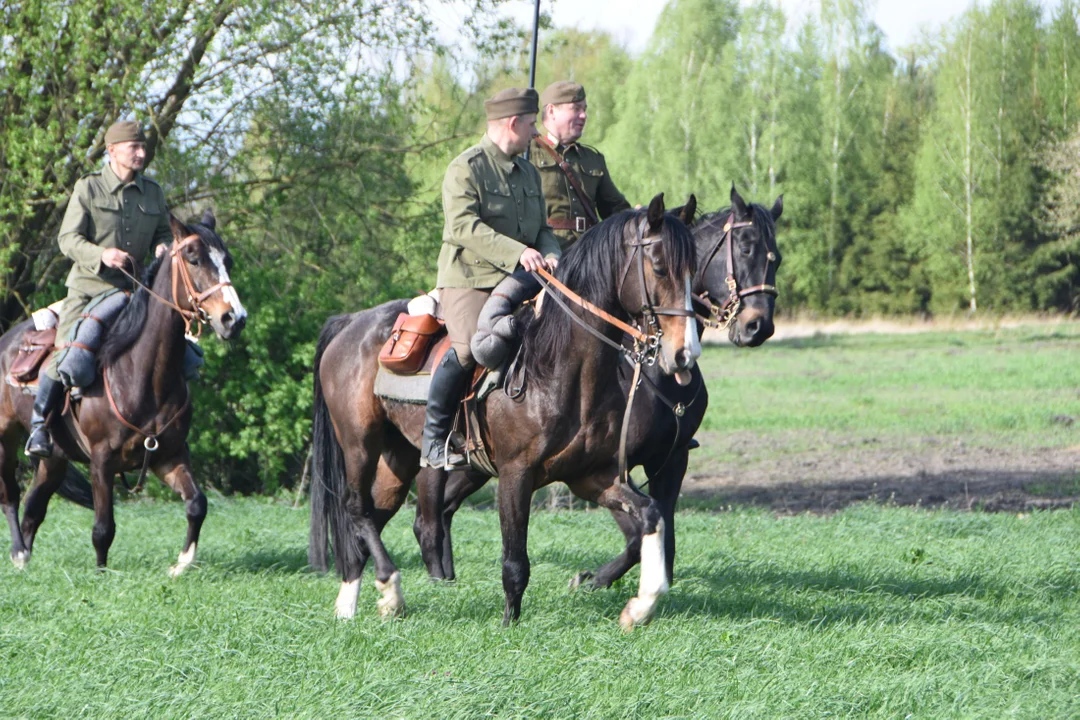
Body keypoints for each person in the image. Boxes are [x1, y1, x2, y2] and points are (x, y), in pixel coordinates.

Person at [422, 87, 561, 470]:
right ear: (512, 123)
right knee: (470, 350)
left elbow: (543, 229)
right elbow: (463, 227)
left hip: (522, 276)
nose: (536, 133)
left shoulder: (529, 173)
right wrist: (518, 252)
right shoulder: (465, 168)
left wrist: (552, 252)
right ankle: (434, 440)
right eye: (532, 125)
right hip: (470, 276)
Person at [25, 120, 171, 458]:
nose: (141, 152)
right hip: (90, 290)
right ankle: (38, 426)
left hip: (136, 293)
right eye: (133, 147)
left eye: (143, 147)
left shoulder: (153, 191)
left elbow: (164, 232)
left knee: (183, 354)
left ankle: (165, 429)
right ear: (112, 151)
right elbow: (68, 239)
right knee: (70, 351)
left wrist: (164, 248)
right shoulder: (88, 188)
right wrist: (102, 254)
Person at [531, 81, 631, 251]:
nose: (584, 115)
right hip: (547, 253)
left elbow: (615, 209)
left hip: (589, 252)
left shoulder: (592, 158)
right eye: (576, 109)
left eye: (584, 109)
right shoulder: (527, 154)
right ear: (551, 111)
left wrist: (640, 217)